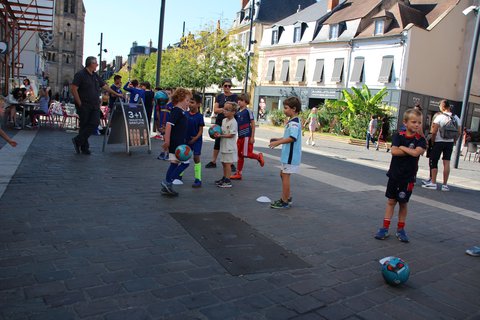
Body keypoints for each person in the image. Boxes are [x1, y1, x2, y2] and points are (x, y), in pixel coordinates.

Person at [374, 108, 426, 243]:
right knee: (391, 201)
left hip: (408, 177)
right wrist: (407, 149)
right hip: (394, 175)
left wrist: (402, 148)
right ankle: (384, 228)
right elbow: (394, 152)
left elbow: (416, 153)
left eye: (419, 123)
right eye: (414, 122)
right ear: (405, 122)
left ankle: (401, 229)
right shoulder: (398, 135)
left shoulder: (421, 140)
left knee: (403, 203)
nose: (417, 125)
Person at [71, 56, 123, 155]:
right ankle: (84, 148)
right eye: (95, 63)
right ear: (90, 64)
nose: (97, 65)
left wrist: (116, 94)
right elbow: (74, 89)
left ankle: (78, 140)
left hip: (94, 105)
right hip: (84, 104)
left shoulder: (95, 76)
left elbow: (105, 86)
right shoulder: (80, 75)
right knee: (84, 125)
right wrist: (80, 103)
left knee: (94, 123)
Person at [268, 97, 302, 209]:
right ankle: (287, 196)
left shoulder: (294, 123)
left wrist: (277, 143)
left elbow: (292, 138)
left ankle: (284, 201)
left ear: (294, 109)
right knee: (282, 175)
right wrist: (278, 139)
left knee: (285, 176)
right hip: (287, 155)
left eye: (286, 108)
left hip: (290, 156)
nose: (284, 110)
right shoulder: (292, 121)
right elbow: (288, 136)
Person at [422, 100, 461, 191]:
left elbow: (434, 131)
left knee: (434, 160)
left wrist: (432, 141)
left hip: (439, 142)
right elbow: (459, 132)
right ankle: (445, 185)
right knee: (446, 162)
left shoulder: (439, 117)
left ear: (442, 107)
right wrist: (454, 141)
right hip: (449, 142)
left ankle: (433, 182)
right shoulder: (456, 117)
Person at [160, 88, 192, 196]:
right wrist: (167, 141)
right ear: (180, 99)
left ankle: (167, 185)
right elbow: (169, 126)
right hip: (176, 143)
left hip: (179, 142)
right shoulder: (176, 111)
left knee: (174, 163)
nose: (188, 103)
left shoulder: (181, 112)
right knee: (184, 163)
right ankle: (168, 182)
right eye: (187, 100)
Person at [205, 79, 238, 168]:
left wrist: (222, 109)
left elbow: (234, 109)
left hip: (230, 121)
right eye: (225, 85)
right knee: (217, 141)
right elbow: (215, 110)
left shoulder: (234, 96)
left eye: (229, 86)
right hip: (220, 121)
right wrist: (225, 109)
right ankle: (213, 161)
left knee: (229, 140)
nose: (227, 87)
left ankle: (230, 163)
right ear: (222, 86)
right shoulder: (219, 96)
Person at [231, 93, 264, 180]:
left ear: (246, 102)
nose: (239, 101)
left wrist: (252, 137)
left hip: (247, 136)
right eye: (238, 100)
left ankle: (258, 156)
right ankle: (239, 173)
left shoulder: (248, 111)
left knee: (246, 154)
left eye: (241, 100)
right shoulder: (237, 112)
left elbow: (253, 124)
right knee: (240, 155)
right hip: (240, 136)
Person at [214, 101, 238, 188]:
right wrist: (216, 132)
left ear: (233, 112)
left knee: (228, 164)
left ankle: (228, 180)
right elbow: (221, 130)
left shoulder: (234, 122)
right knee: (224, 163)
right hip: (223, 145)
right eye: (224, 109)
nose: (225, 111)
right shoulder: (224, 120)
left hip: (229, 147)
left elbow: (232, 134)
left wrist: (221, 135)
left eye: (227, 110)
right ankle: (224, 178)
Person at [186, 93, 205, 188]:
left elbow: (201, 130)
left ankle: (198, 179)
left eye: (192, 102)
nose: (190, 104)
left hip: (196, 140)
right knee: (183, 157)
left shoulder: (199, 116)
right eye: (189, 101)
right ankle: (178, 176)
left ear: (198, 104)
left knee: (196, 157)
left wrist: (195, 138)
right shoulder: (185, 114)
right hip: (186, 140)